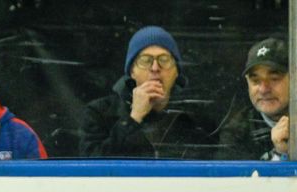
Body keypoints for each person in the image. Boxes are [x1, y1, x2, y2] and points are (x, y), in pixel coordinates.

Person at [78, 26, 209, 159]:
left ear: (176, 72)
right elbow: (92, 169)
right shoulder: (100, 112)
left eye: (164, 60)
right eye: (145, 61)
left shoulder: (196, 119)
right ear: (132, 71)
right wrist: (133, 118)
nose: (155, 68)